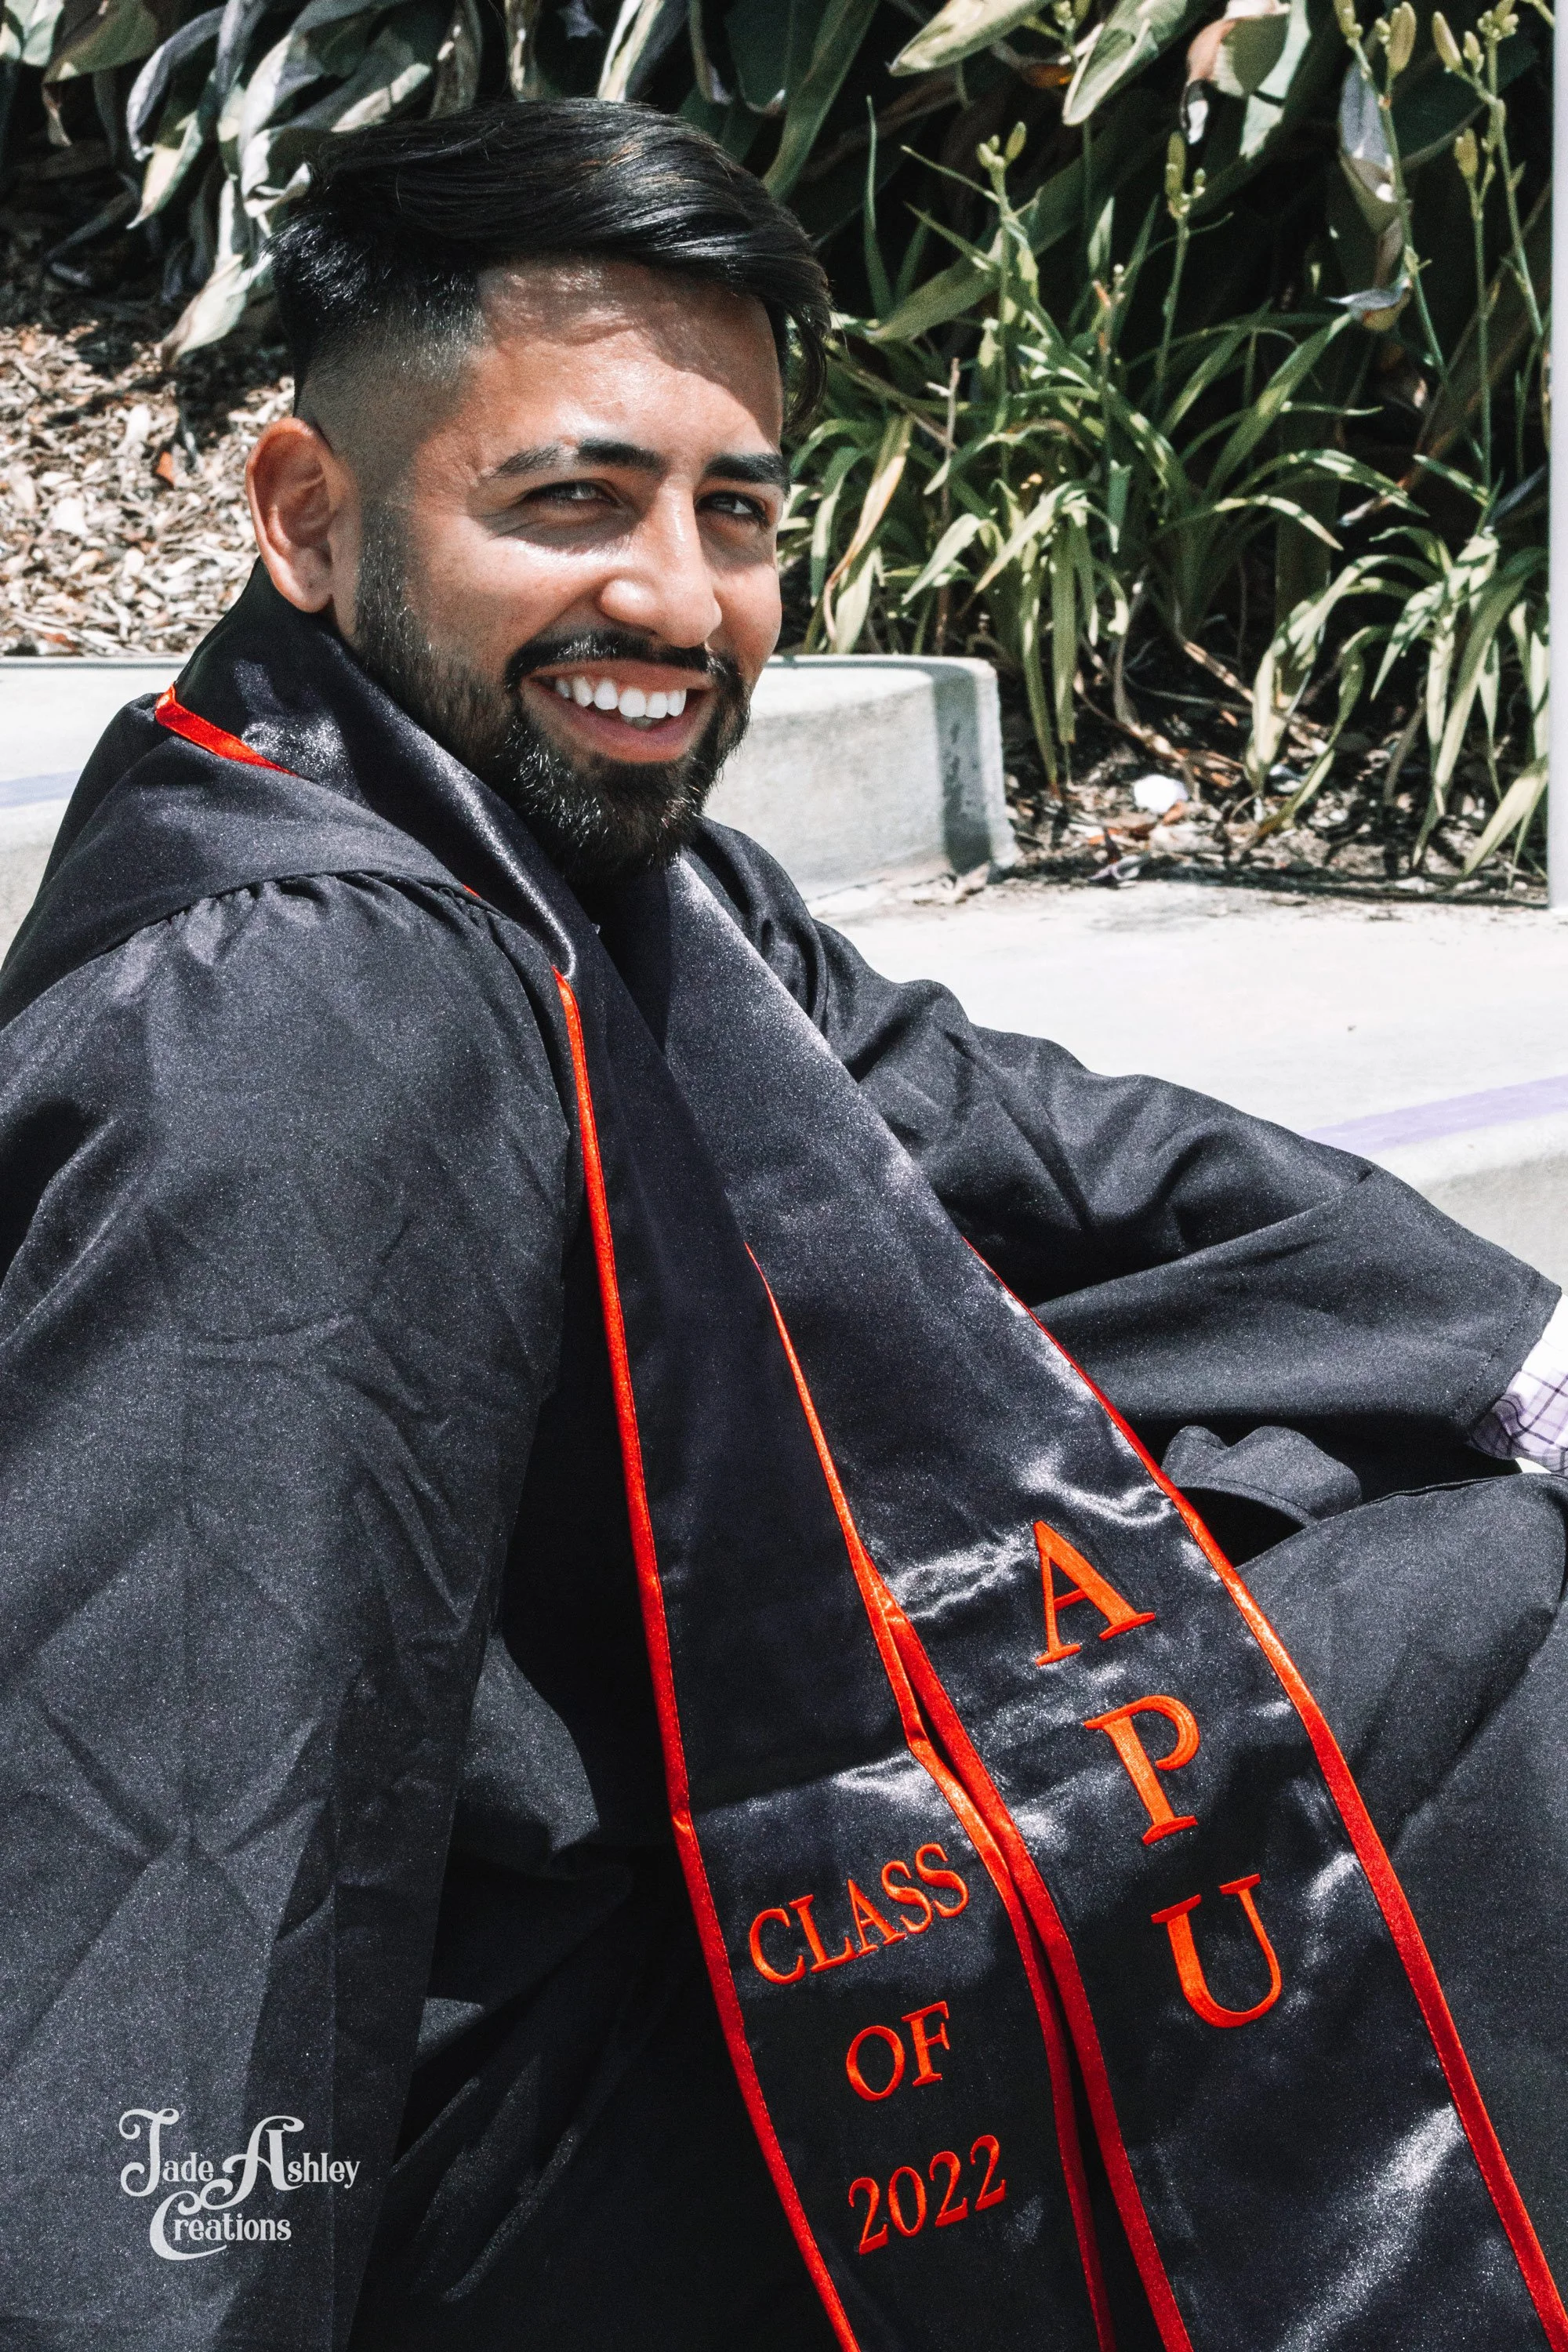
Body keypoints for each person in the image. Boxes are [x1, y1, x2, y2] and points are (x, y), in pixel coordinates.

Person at [0, 97, 1564, 2352]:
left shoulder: (575, 842)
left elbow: (1008, 1144)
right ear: (309, 516)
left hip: (678, 1899)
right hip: (503, 2149)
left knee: (1388, 1484)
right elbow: (181, 1849)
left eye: (735, 512)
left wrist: (1516, 1360)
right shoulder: (299, 1019)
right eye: (571, 499)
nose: (673, 598)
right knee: (1503, 1621)